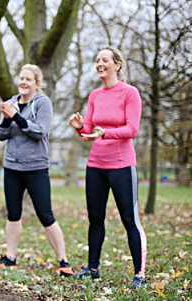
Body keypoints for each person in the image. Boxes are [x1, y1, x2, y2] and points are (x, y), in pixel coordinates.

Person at [69, 46, 147, 288]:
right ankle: (92, 268)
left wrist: (105, 133)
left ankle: (140, 274)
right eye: (97, 60)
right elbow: (89, 131)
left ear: (117, 64)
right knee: (95, 218)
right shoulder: (95, 95)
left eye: (105, 60)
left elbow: (132, 129)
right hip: (95, 165)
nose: (99, 63)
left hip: (122, 165)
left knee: (129, 219)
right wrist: (79, 126)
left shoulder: (130, 93)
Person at [0, 64, 73, 276]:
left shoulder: (42, 103)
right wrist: (6, 118)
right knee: (13, 214)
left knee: (45, 215)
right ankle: (10, 257)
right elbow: (1, 135)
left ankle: (63, 261)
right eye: (21, 78)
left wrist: (17, 118)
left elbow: (39, 131)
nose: (23, 82)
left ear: (37, 84)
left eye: (28, 79)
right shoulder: (11, 102)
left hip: (35, 167)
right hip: (12, 167)